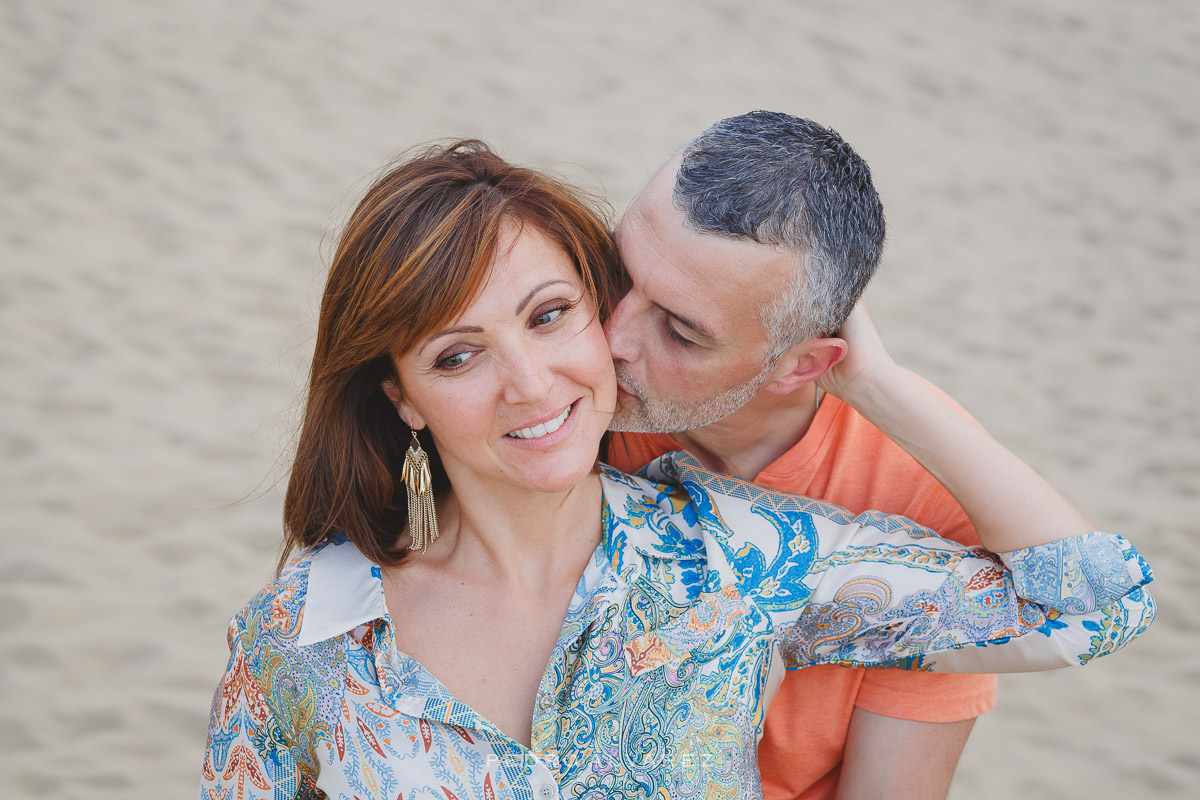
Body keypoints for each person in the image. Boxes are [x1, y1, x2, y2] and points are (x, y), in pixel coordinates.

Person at [199, 140, 1155, 800]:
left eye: (548, 315)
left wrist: (880, 383)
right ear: (400, 396)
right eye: (457, 355)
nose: (531, 386)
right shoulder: (300, 634)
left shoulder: (742, 556)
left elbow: (1095, 604)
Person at [603, 111, 992, 798]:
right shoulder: (561, 400)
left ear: (803, 364)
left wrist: (880, 387)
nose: (609, 339)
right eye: (615, 271)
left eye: (681, 332)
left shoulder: (927, 503)